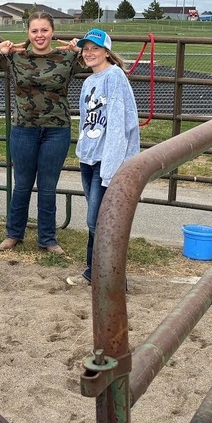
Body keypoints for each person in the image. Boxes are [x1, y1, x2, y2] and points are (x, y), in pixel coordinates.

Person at [0, 10, 82, 254]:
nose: (40, 35)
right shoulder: (17, 57)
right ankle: (13, 233)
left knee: (47, 186)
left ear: (53, 32)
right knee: (22, 184)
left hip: (56, 130)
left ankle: (48, 238)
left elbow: (98, 59)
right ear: (28, 33)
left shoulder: (66, 58)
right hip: (24, 129)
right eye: (34, 30)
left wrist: (80, 49)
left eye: (44, 30)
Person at [66, 28, 141, 287]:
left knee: (97, 219)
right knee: (96, 218)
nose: (89, 53)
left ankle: (111, 275)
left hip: (106, 159)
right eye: (86, 49)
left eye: (95, 49)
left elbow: (119, 123)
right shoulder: (89, 82)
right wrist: (83, 150)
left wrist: (111, 166)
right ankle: (94, 271)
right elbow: (86, 121)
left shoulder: (115, 77)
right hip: (89, 156)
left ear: (106, 52)